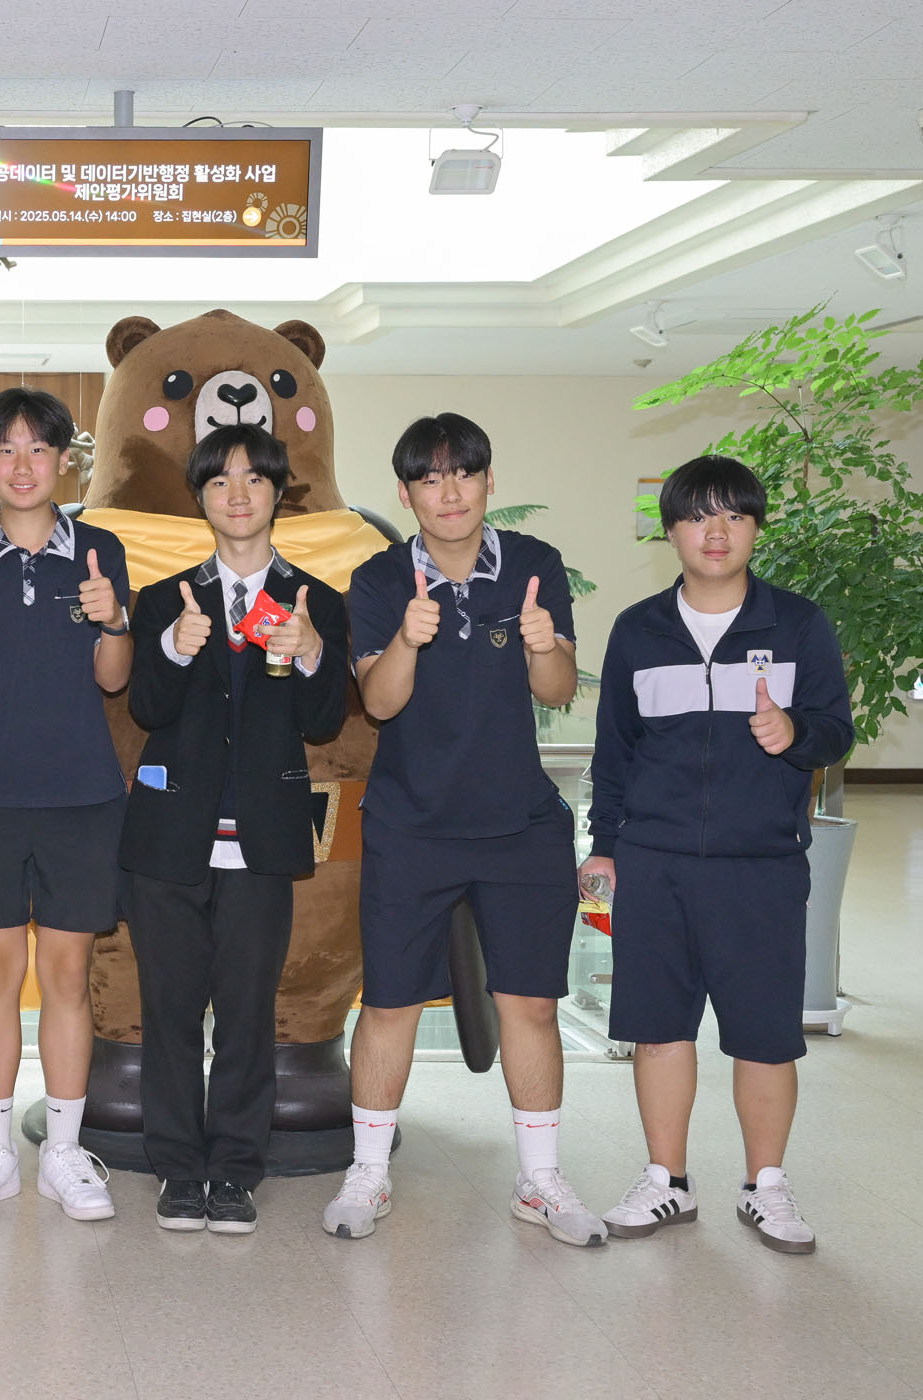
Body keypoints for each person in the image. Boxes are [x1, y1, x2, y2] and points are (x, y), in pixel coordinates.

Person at [326, 412, 605, 1247]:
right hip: (411, 826)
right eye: (430, 477)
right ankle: (368, 1174)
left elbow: (557, 690)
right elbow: (379, 703)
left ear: (488, 482)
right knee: (390, 1004)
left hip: (520, 826)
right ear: (405, 492)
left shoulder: (533, 564)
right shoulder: (379, 579)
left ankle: (540, 1181)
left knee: (530, 1005)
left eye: (464, 473)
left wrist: (543, 644)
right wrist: (407, 641)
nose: (449, 492)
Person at [587, 455, 852, 1254]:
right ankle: (666, 1180)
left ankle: (765, 1185)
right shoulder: (638, 630)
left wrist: (793, 733)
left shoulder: (798, 625)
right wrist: (605, 848)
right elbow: (614, 753)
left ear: (755, 529)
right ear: (670, 531)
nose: (716, 531)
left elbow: (835, 730)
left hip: (760, 865)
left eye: (734, 515)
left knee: (765, 1035)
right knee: (658, 1028)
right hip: (654, 862)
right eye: (699, 515)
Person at [121, 424, 348, 1233]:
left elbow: (324, 721)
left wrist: (313, 650)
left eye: (254, 479)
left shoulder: (318, 601)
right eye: (220, 481)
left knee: (249, 1015)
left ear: (279, 492)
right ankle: (178, 1171)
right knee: (169, 1013)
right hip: (169, 838)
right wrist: (176, 649)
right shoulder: (164, 600)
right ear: (202, 499)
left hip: (263, 837)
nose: (238, 495)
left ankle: (235, 1173)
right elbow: (146, 706)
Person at [0, 387, 131, 1223]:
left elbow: (114, 679)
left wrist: (114, 620)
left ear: (63, 462)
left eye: (38, 449)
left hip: (82, 797)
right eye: (5, 449)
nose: (22, 465)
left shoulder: (101, 550)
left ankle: (66, 1155)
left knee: (69, 976)